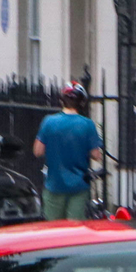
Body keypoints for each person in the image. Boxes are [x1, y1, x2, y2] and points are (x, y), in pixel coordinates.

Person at [33, 85, 104, 220]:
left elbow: (37, 151)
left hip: (54, 185)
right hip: (79, 187)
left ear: (62, 100)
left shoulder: (49, 122)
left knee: (53, 230)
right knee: (75, 231)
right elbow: (96, 155)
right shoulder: (87, 124)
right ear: (82, 102)